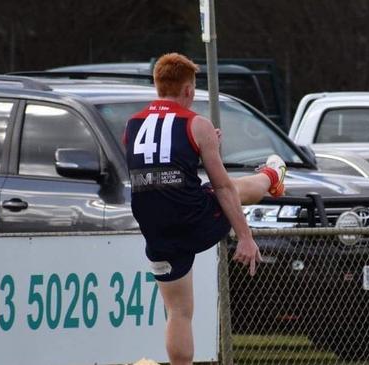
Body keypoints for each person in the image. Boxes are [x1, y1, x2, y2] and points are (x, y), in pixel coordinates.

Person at [123, 53, 287, 365]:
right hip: (192, 219)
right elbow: (222, 186)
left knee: (178, 312)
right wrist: (246, 237)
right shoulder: (197, 124)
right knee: (233, 188)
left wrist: (203, 144)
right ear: (187, 90)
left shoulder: (132, 124)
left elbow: (158, 163)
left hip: (155, 227)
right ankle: (271, 175)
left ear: (158, 86)